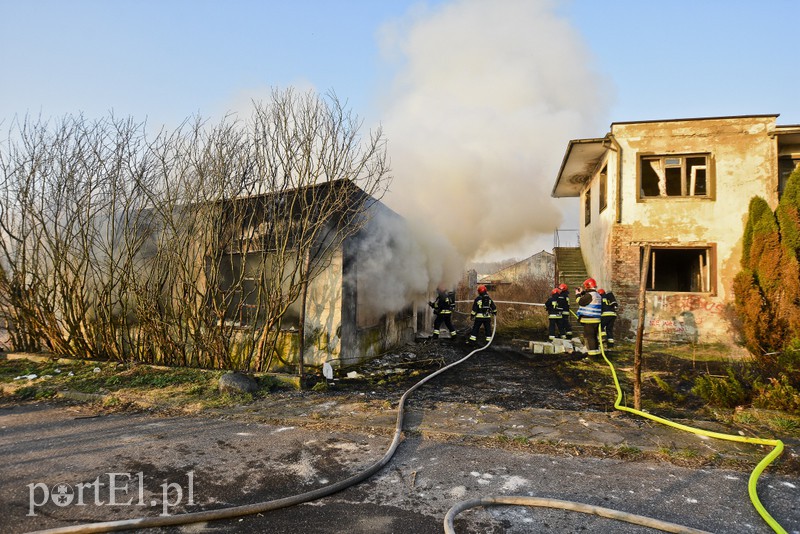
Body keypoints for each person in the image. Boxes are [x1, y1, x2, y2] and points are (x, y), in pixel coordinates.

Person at [575, 278, 602, 357]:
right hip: (596, 319)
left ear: (587, 286)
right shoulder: (597, 295)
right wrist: (583, 292)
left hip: (589, 320)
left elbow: (581, 302)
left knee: (589, 337)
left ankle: (592, 355)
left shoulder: (590, 295)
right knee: (594, 337)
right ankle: (596, 353)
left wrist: (577, 294)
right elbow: (588, 298)